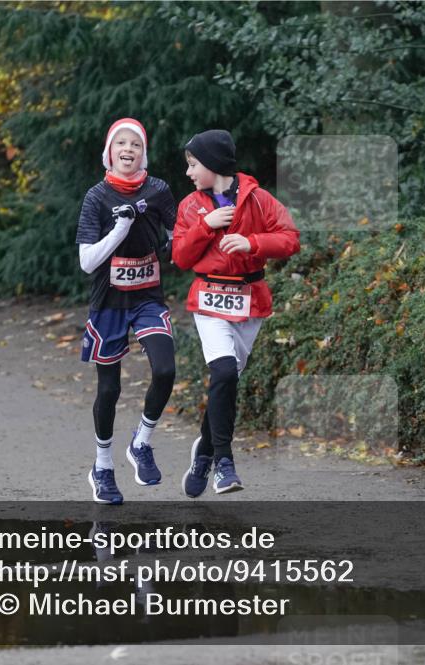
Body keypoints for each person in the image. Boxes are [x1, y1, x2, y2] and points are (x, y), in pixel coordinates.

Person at [172, 129, 300, 497]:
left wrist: (252, 242)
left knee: (226, 383)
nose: (189, 173)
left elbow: (291, 239)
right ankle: (224, 466)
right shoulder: (190, 206)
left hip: (250, 300)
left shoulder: (259, 200)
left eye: (194, 164)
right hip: (209, 298)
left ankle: (204, 450)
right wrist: (204, 226)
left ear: (213, 163)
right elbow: (180, 256)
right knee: (224, 370)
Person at [75, 118, 177, 504]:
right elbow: (87, 262)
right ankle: (102, 467)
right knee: (110, 389)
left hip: (148, 297)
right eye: (121, 143)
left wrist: (176, 248)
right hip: (110, 301)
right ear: (110, 152)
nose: (128, 149)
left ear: (143, 152)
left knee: (166, 369)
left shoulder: (159, 190)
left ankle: (141, 443)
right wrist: (119, 230)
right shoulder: (96, 197)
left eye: (135, 143)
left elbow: (176, 236)